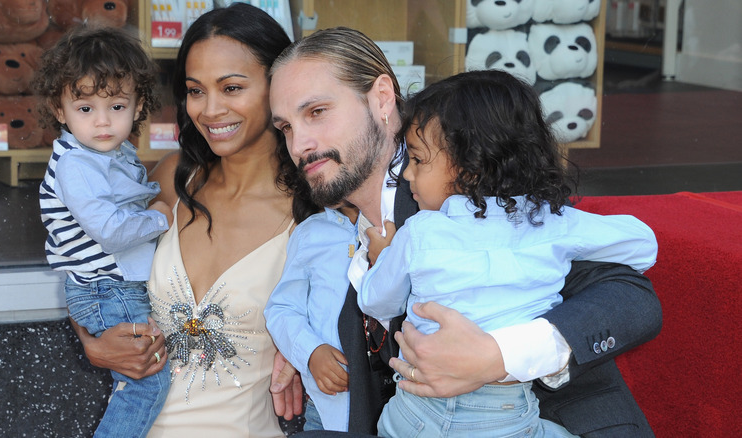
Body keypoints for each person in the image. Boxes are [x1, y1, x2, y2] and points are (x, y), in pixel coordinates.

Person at [269, 27, 661, 437]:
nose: (299, 145)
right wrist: (301, 345)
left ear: (382, 99)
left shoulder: (472, 182)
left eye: (316, 112)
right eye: (286, 128)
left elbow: (632, 298)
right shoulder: (323, 225)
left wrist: (498, 356)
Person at [356, 69, 658, 437]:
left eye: (418, 160)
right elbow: (643, 245)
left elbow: (377, 302)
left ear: (470, 169)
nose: (406, 175)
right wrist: (560, 246)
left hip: (413, 415)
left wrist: (380, 258)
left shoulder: (420, 229)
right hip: (504, 417)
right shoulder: (555, 225)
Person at [69, 4, 308, 436]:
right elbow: (89, 267)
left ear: (278, 85)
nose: (210, 110)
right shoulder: (172, 178)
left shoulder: (313, 208)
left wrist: (304, 349)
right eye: (196, 90)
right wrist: (93, 343)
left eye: (231, 87)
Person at [34, 25, 172, 438]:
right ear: (60, 111)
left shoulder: (108, 152)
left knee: (139, 381)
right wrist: (161, 215)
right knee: (147, 384)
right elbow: (111, 231)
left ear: (138, 104)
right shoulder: (77, 164)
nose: (102, 122)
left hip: (113, 288)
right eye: (85, 109)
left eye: (116, 106)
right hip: (107, 290)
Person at [264, 202, 359, 432]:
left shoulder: (406, 222)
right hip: (326, 410)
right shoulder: (311, 232)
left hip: (393, 408)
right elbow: (282, 308)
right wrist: (311, 352)